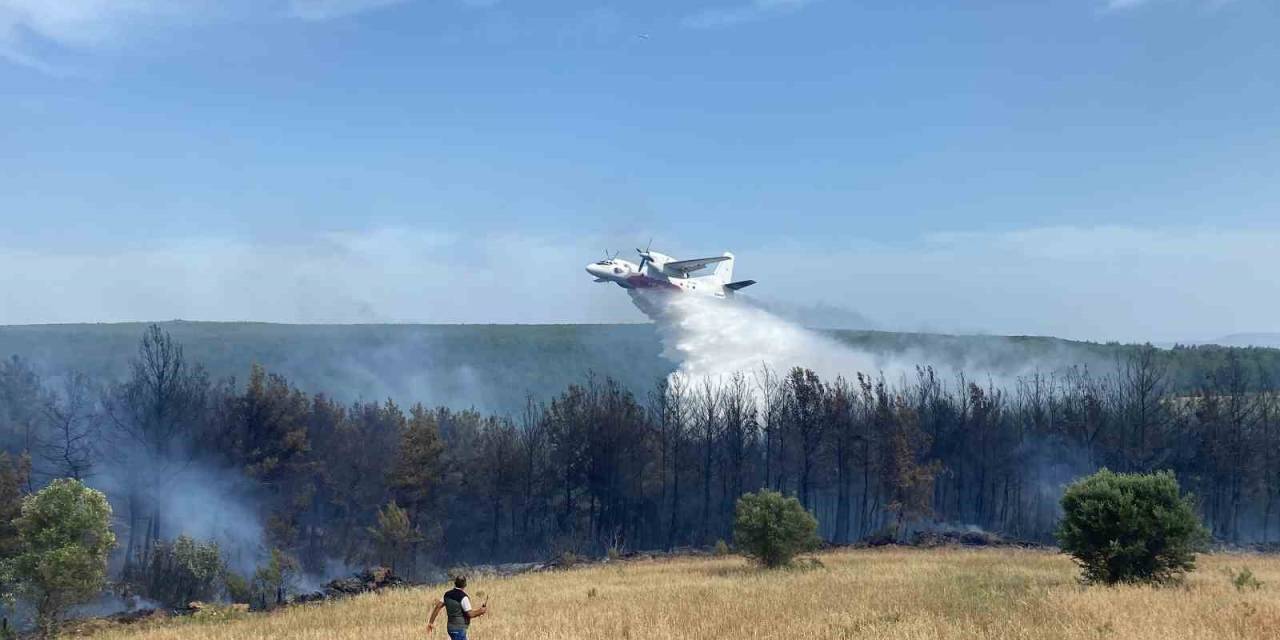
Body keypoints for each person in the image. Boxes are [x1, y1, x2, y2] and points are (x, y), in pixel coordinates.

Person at [427, 575, 488, 639]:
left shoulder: (447, 594)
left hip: (450, 628)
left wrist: (431, 622)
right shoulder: (464, 597)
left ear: (455, 583)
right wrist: (481, 611)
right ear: (465, 585)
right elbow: (470, 614)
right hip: (459, 629)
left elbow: (438, 607)